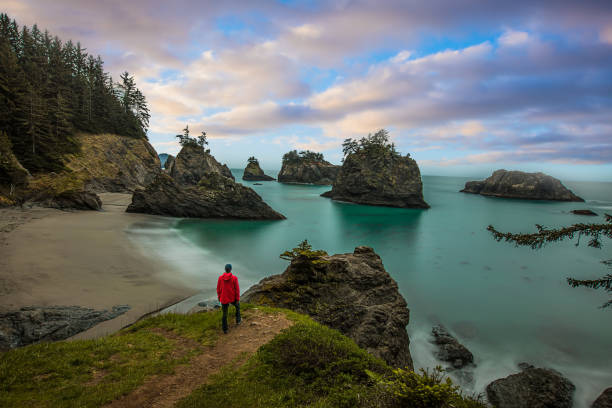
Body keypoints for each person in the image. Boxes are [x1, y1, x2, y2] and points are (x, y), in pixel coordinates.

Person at [217, 263, 241, 334]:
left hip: (224, 298)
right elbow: (237, 289)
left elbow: (218, 289)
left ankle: (225, 329)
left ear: (225, 269)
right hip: (232, 297)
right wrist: (237, 299)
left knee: (224, 314)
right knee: (237, 306)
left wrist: (219, 297)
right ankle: (238, 320)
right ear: (230, 269)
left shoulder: (220, 278)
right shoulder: (234, 278)